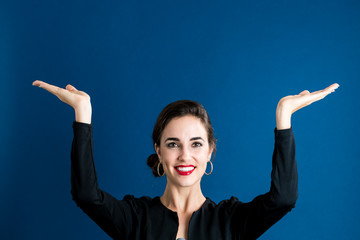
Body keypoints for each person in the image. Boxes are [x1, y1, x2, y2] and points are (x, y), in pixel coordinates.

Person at [32, 80, 339, 240]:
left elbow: (283, 199)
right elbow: (86, 196)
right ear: (159, 151)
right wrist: (82, 113)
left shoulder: (231, 221)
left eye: (195, 144)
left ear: (210, 151)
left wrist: (283, 115)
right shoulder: (135, 218)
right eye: (173, 144)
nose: (184, 156)